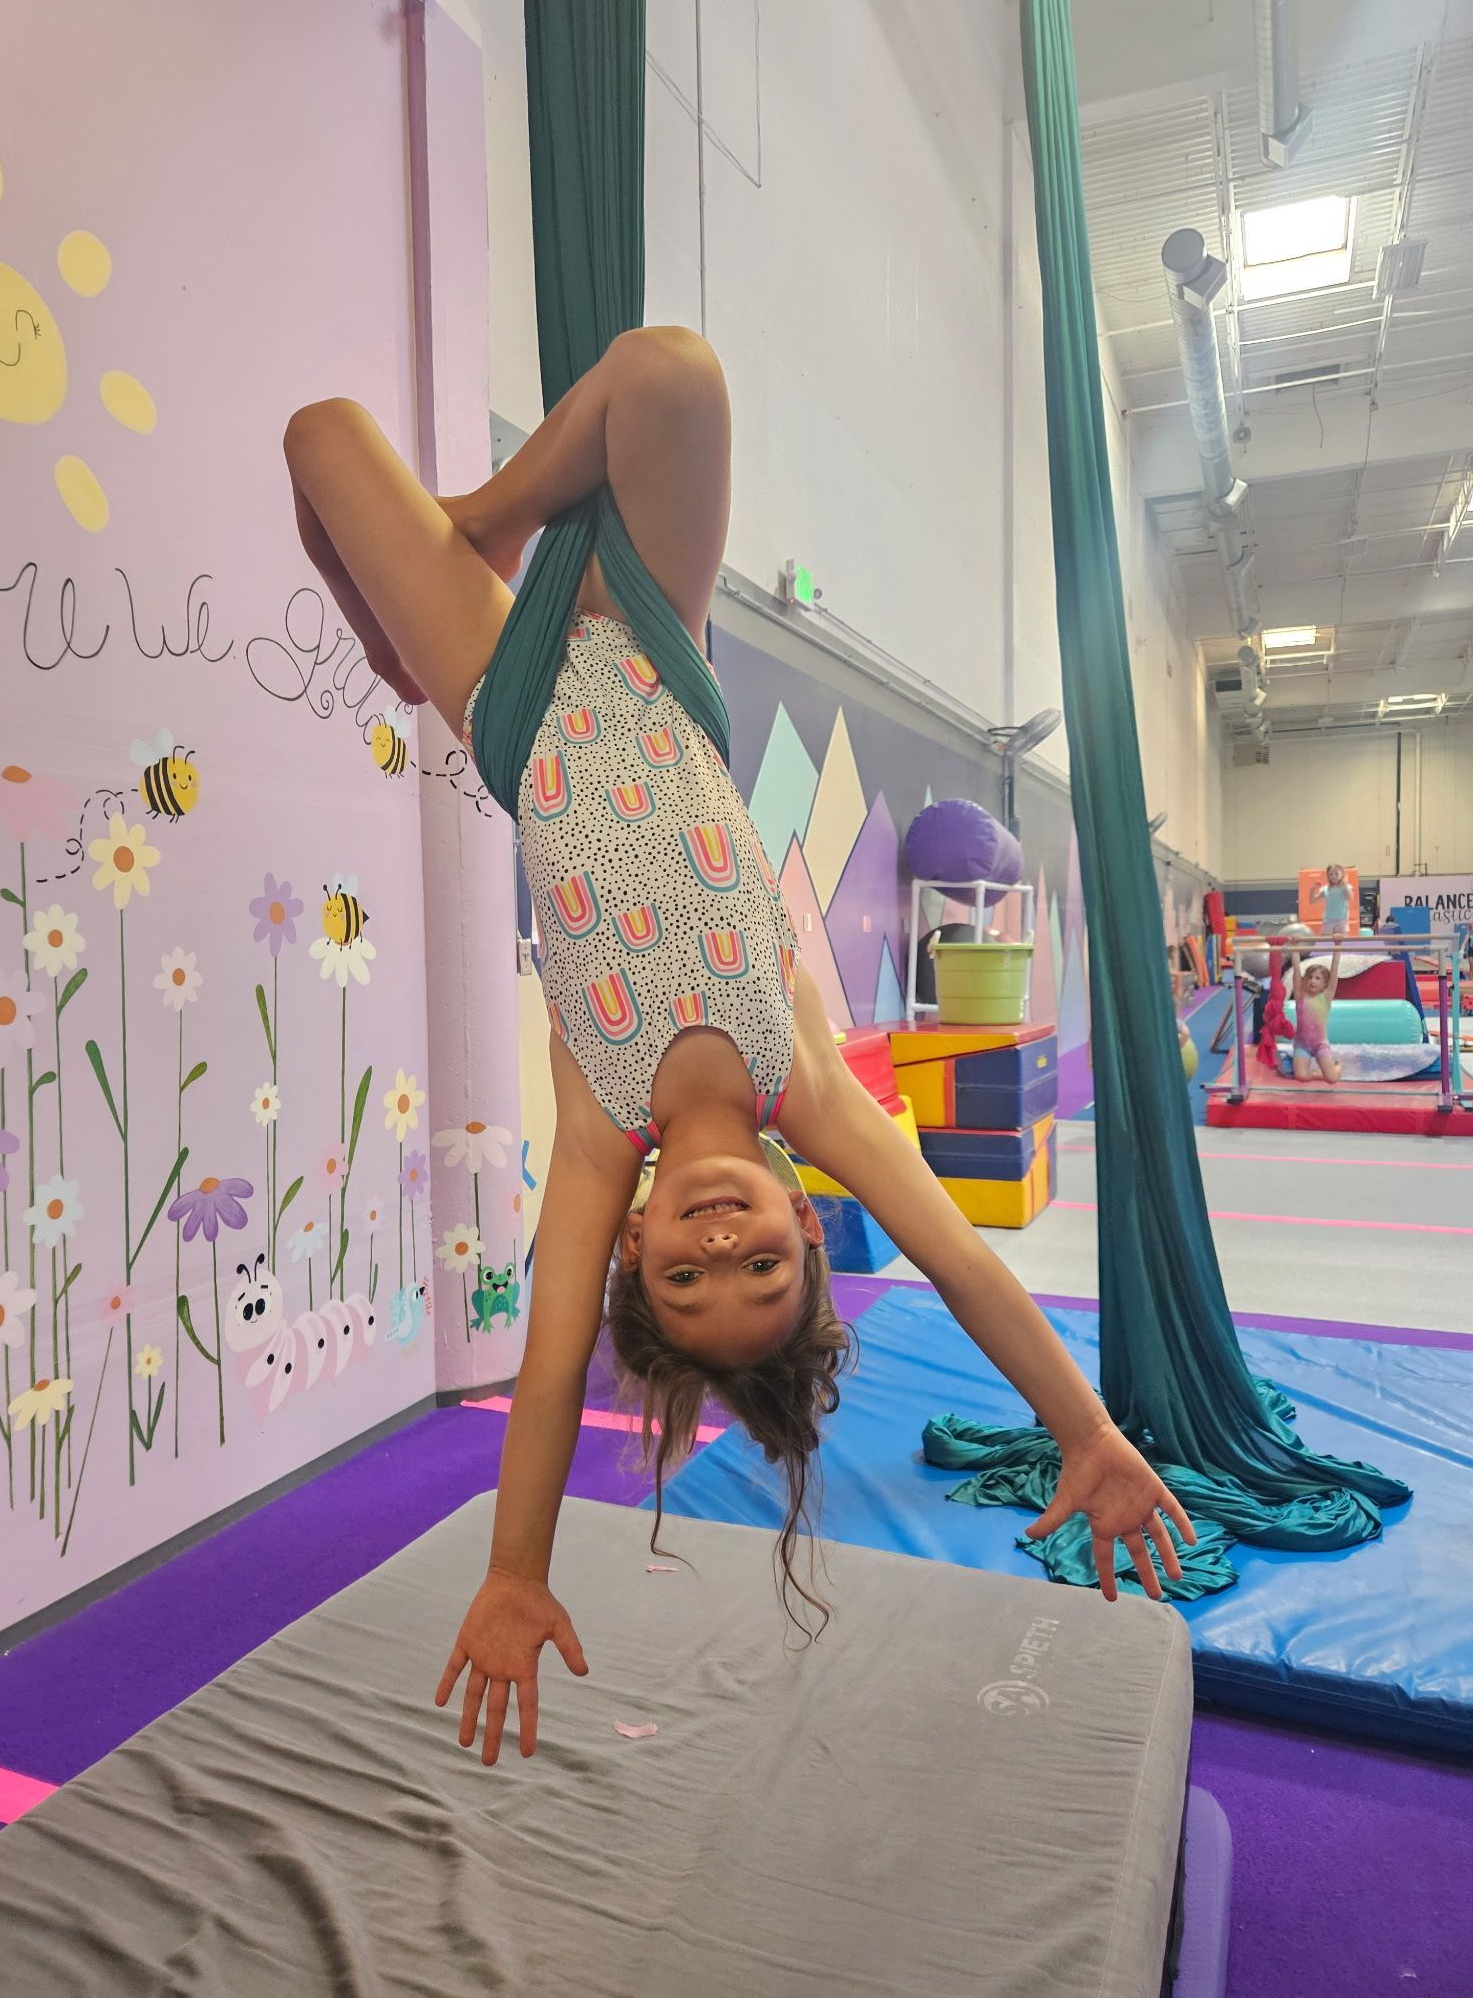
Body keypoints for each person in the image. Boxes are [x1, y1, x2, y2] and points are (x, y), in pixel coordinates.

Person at [283, 326, 1196, 1766]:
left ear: (637, 1244)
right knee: (675, 376)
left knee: (320, 436)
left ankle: (438, 591)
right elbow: (961, 1261)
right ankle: (487, 521)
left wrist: (517, 1570)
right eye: (761, 1264)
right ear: (802, 1227)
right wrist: (1082, 1427)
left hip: (512, 708)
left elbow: (545, 1366)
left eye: (688, 1276)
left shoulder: (600, 1135)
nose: (721, 1244)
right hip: (653, 648)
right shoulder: (812, 1087)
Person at [1291, 940, 1343, 1085]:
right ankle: (1316, 1074)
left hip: (1320, 1044)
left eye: (1317, 978)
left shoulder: (1326, 997)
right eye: (1309, 977)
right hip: (1302, 1044)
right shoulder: (1300, 996)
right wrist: (1294, 947)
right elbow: (1296, 970)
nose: (1312, 981)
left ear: (1324, 984)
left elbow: (1334, 972)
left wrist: (1337, 945)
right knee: (1302, 1077)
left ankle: (1338, 1067)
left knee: (1332, 1079)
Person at [1307, 864, 1352, 938]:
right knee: (1325, 942)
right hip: (1328, 920)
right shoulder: (1325, 889)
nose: (1333, 876)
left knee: (1340, 944)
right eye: (1331, 874)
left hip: (1342, 920)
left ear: (1342, 875)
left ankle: (1338, 949)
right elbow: (1312, 901)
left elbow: (1350, 898)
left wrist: (1345, 884)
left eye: (1336, 874)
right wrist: (1312, 890)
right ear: (1328, 876)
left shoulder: (1345, 887)